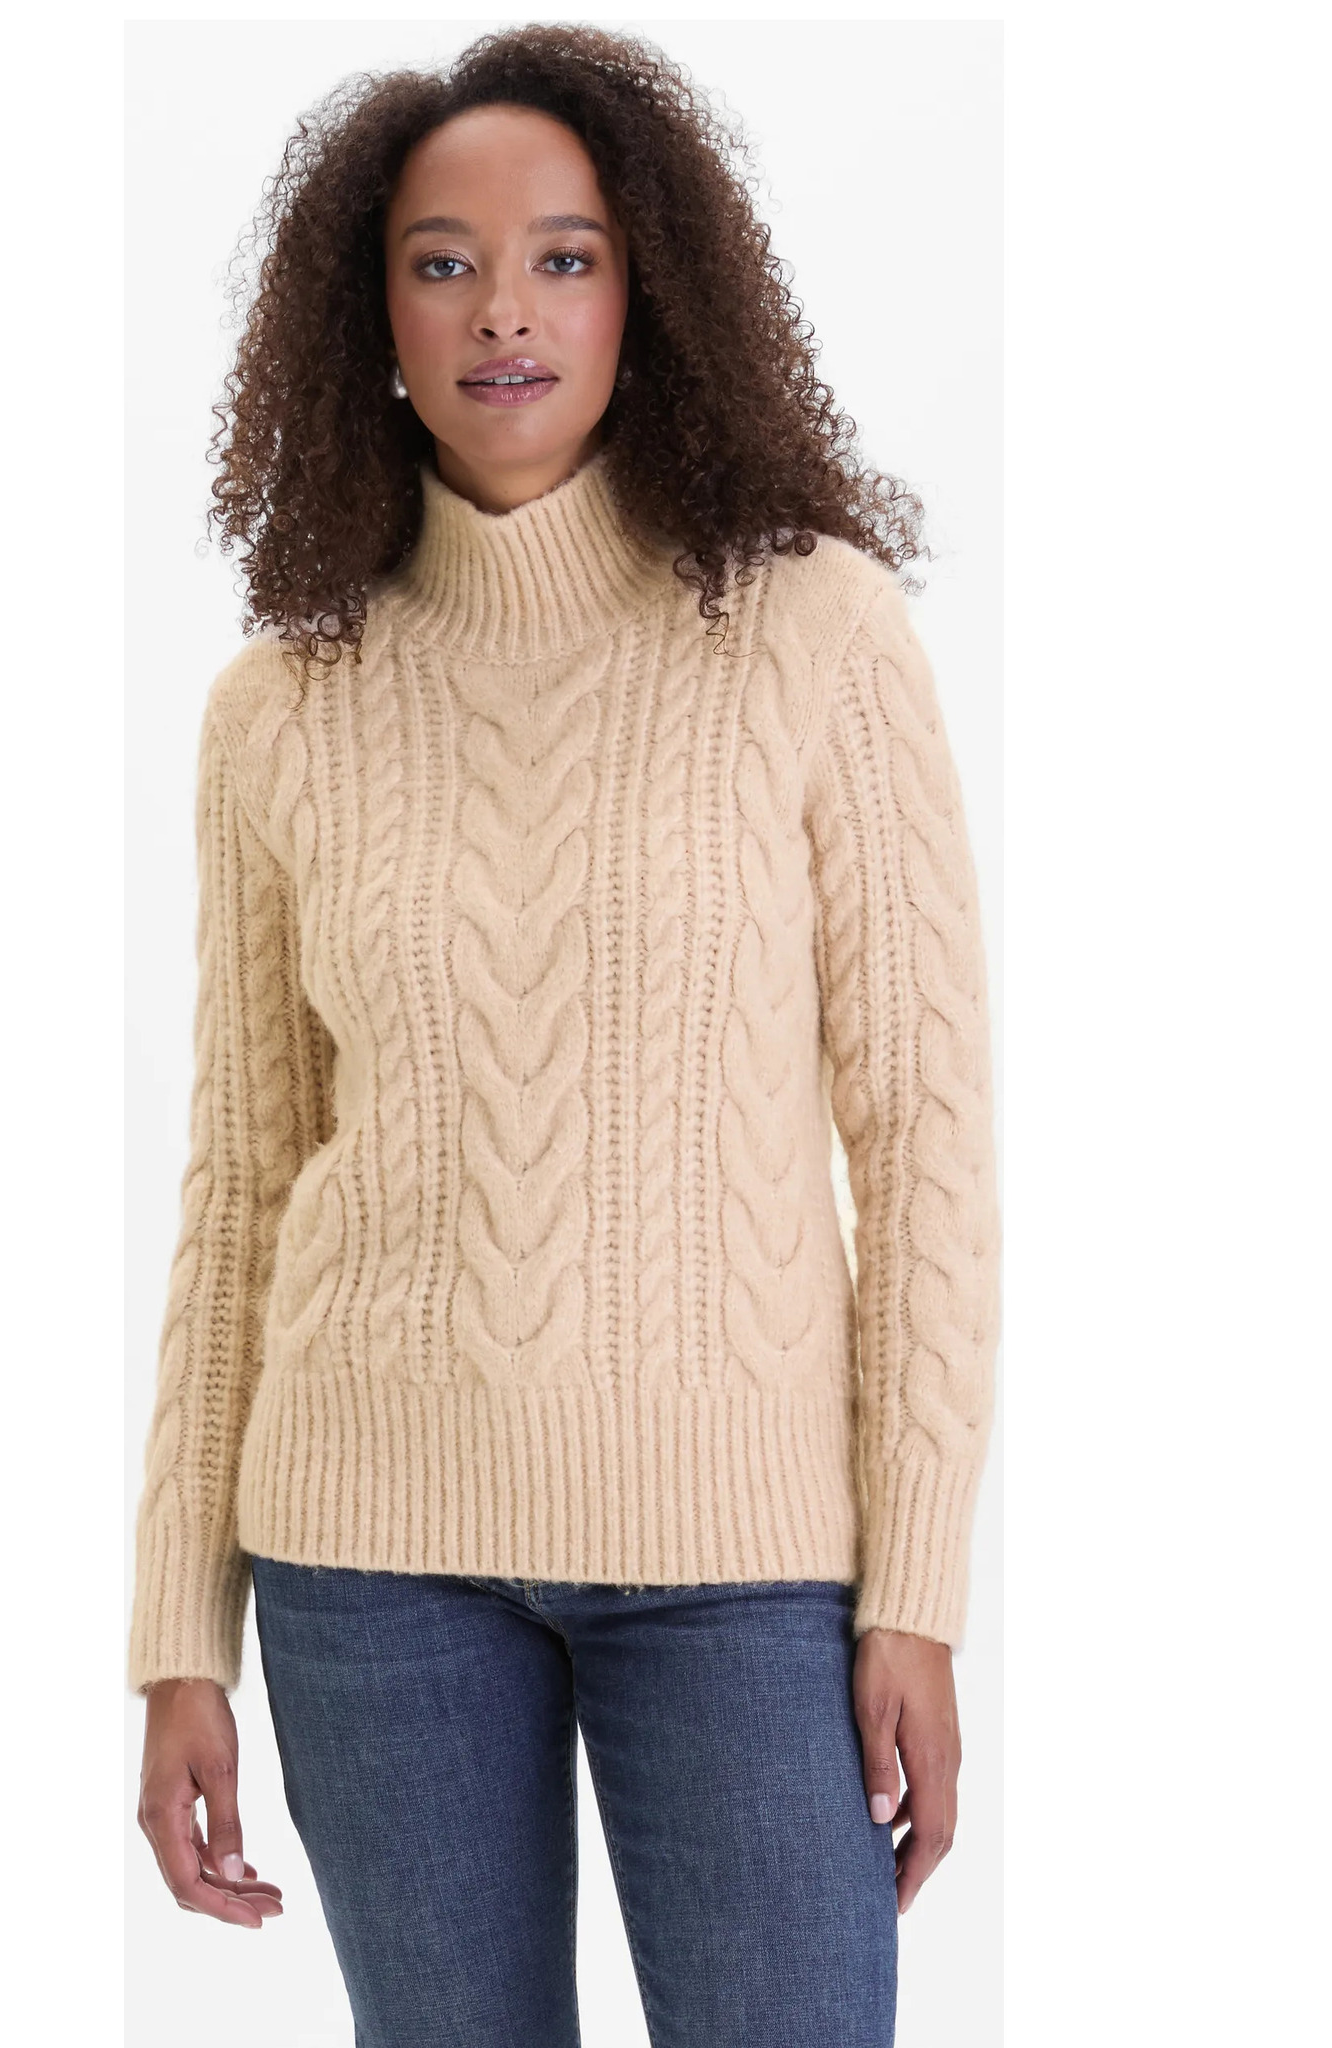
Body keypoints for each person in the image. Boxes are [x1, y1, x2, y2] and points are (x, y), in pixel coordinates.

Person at [129, 24, 1001, 2047]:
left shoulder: (812, 630)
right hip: (364, 1552)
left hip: (742, 1555)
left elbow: (925, 1127)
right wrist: (179, 1628)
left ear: (648, 295)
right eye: (441, 263)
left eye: (565, 258)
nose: (502, 309)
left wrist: (919, 1588)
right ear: (370, 316)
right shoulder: (281, 707)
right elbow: (245, 1181)